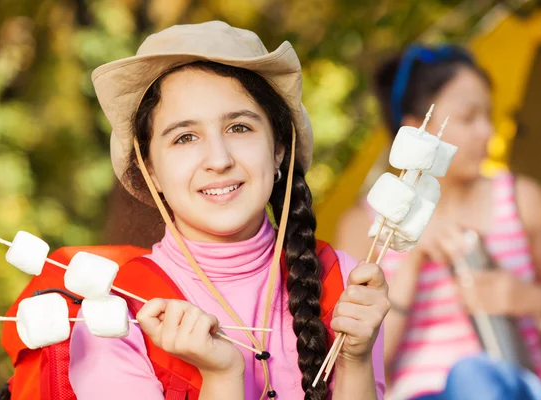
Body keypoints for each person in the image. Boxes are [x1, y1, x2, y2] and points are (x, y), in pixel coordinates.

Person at [66, 21, 388, 400]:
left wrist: (356, 358)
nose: (218, 160)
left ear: (279, 148)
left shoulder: (345, 281)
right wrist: (221, 377)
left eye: (239, 127)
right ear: (151, 170)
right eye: (185, 137)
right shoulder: (114, 315)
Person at [335, 44, 541, 400]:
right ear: (416, 128)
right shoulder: (364, 224)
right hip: (419, 393)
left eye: (488, 116)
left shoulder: (522, 200)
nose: (487, 132)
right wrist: (412, 255)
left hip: (521, 386)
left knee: (478, 378)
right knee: (471, 378)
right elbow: (358, 362)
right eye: (468, 118)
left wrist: (531, 299)